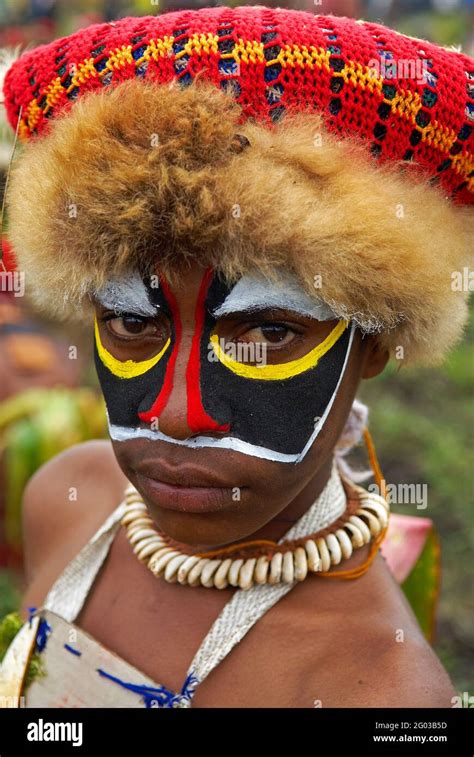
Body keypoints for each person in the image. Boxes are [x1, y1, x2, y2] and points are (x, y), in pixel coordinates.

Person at [0, 6, 472, 708]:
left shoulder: (379, 691)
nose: (180, 415)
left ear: (374, 341)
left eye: (268, 333)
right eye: (132, 320)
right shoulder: (64, 501)